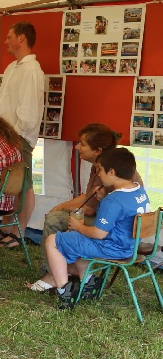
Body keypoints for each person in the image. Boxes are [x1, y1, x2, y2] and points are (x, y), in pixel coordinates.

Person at [28, 124, 141, 292]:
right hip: (126, 238)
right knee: (62, 216)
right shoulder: (116, 167)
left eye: (82, 144)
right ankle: (72, 270)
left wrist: (75, 221)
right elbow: (89, 196)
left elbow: (90, 210)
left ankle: (54, 275)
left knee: (54, 220)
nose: (77, 147)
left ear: (98, 151)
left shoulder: (106, 172)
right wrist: (62, 206)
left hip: (113, 237)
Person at [43, 148, 149, 305]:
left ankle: (64, 290)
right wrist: (104, 199)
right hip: (129, 247)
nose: (99, 175)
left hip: (112, 248)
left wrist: (79, 226)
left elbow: (98, 234)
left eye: (100, 170)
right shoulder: (139, 191)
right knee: (74, 238)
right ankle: (88, 281)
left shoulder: (114, 200)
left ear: (111, 172)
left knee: (52, 241)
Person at [0, 21, 44, 242]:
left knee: (24, 185)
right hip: (6, 136)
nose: (5, 42)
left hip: (18, 137)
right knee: (10, 184)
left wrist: (15, 136)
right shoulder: (12, 67)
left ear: (21, 38)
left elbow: (29, 112)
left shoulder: (31, 69)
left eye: (9, 37)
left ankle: (19, 232)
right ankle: (6, 228)